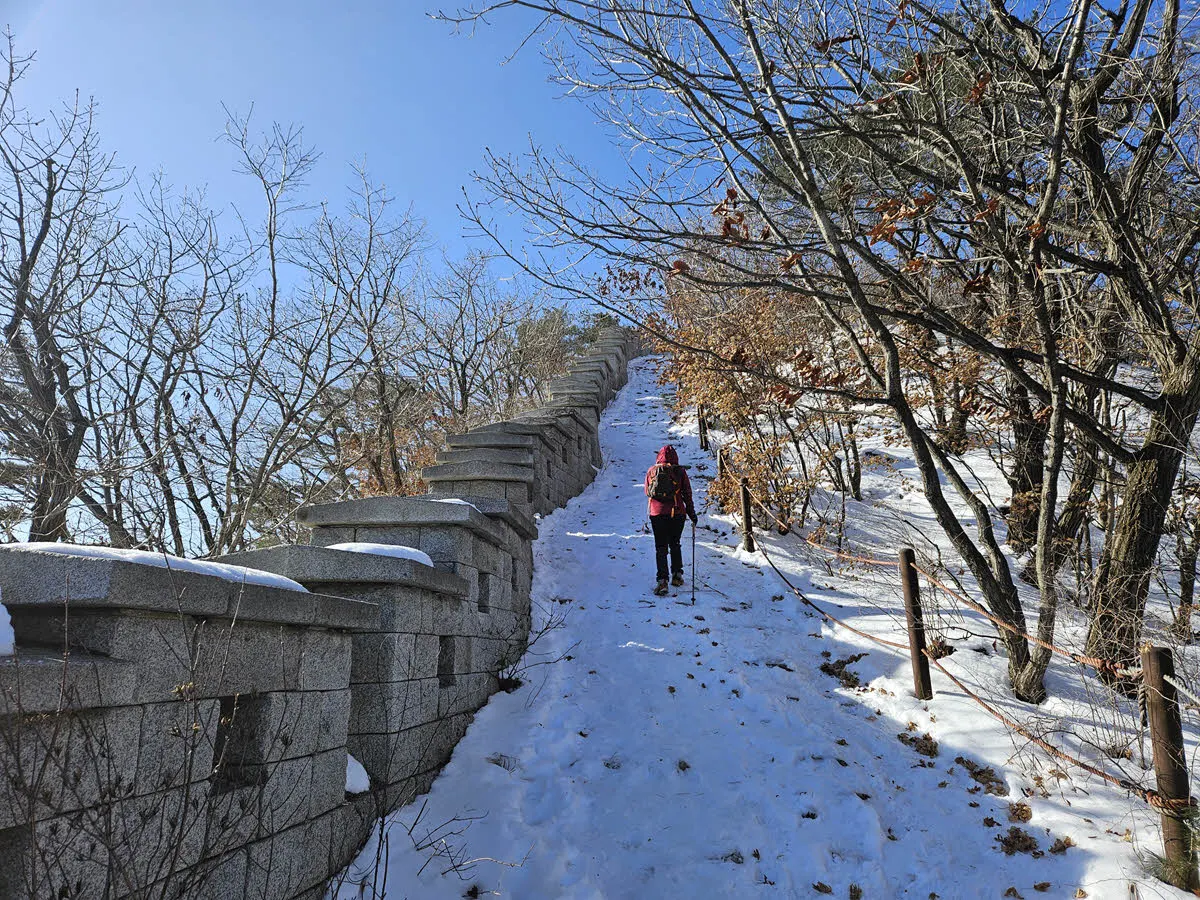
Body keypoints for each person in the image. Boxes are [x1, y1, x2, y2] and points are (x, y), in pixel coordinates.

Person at [644, 445, 697, 596]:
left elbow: (647, 491)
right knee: (675, 543)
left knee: (660, 547)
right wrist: (691, 513)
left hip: (657, 513)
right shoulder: (679, 471)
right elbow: (687, 493)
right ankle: (677, 575)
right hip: (677, 512)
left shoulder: (651, 471)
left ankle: (662, 581)